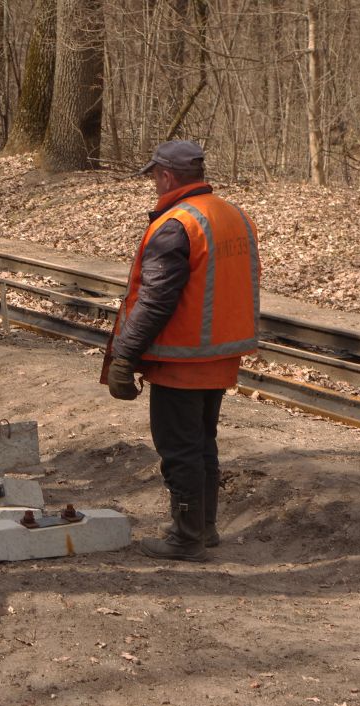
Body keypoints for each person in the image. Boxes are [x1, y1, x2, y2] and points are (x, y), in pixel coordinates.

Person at [105, 140, 261, 562]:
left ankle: (186, 538)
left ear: (168, 176)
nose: (154, 182)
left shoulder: (177, 223)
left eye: (155, 175)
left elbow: (155, 299)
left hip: (182, 359)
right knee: (202, 444)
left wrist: (125, 356)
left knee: (179, 450)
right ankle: (203, 528)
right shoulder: (232, 215)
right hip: (221, 355)